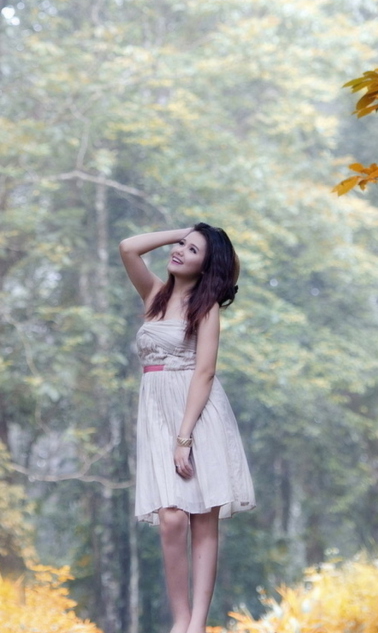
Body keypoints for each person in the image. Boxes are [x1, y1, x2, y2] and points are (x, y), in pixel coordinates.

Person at [119, 224, 255, 633]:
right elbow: (128, 247)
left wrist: (185, 437)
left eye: (191, 250)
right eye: (181, 245)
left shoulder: (207, 306)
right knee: (172, 517)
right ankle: (180, 617)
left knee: (202, 517)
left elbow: (205, 372)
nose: (179, 251)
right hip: (157, 413)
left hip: (197, 414)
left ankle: (195, 624)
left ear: (205, 264)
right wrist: (188, 229)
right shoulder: (153, 294)